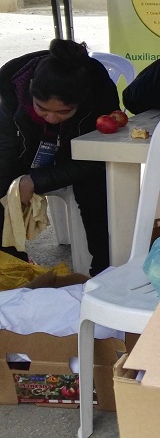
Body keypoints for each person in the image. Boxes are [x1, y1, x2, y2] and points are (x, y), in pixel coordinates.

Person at [0, 39, 120, 275]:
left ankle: (104, 270)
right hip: (26, 153)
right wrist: (11, 190)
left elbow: (98, 157)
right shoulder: (10, 91)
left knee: (96, 190)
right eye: (42, 109)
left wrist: (37, 180)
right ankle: (15, 267)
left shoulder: (99, 92)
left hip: (79, 158)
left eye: (64, 112)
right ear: (31, 88)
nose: (51, 118)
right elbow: (5, 153)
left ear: (82, 101)